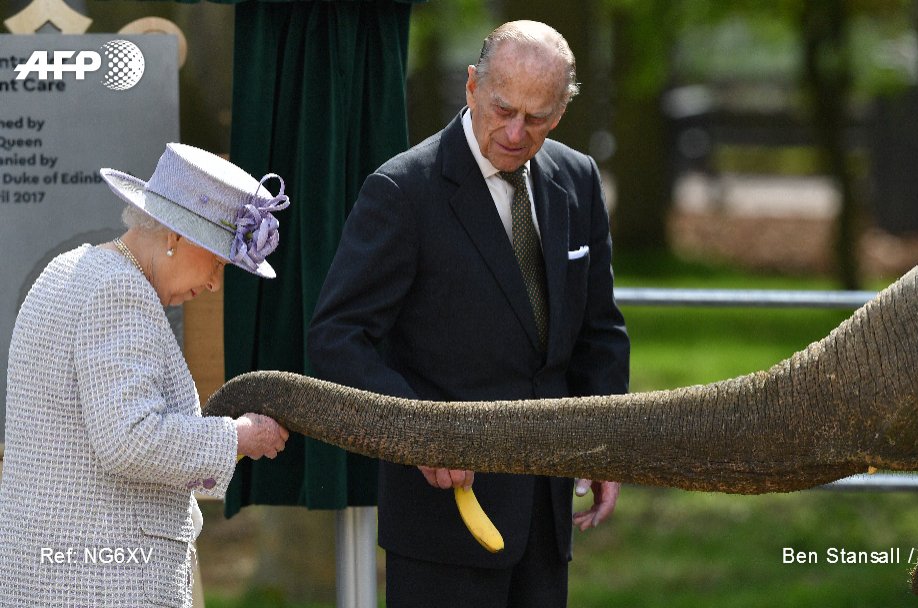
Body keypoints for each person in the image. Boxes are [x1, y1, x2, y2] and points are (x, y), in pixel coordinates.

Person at [308, 20, 630, 608]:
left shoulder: (578, 179)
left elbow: (599, 331)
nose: (514, 132)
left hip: (546, 512)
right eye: (503, 108)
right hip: (441, 522)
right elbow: (336, 338)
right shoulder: (403, 189)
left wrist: (603, 445)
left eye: (536, 119)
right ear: (472, 86)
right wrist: (420, 432)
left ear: (561, 112)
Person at [0, 143, 291, 607]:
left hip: (52, 575)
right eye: (217, 261)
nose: (216, 282)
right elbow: (131, 440)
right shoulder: (120, 289)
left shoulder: (67, 270)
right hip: (103, 582)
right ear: (176, 236)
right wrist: (236, 437)